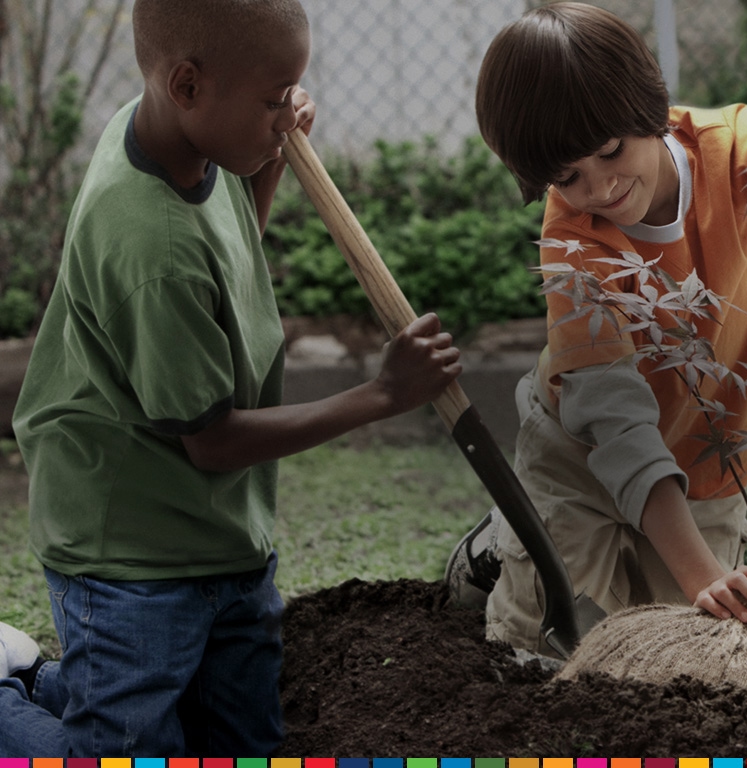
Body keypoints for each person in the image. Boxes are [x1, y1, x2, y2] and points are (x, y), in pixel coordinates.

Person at [2, 0, 462, 757]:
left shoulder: (187, 139)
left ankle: (68, 687)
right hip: (130, 554)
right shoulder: (147, 241)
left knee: (242, 743)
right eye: (274, 99)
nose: (288, 115)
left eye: (291, 94)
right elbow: (212, 442)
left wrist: (270, 154)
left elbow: (231, 232)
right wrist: (380, 396)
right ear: (187, 84)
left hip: (221, 537)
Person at [445, 2, 747, 657]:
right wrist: (702, 575)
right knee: (557, 641)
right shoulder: (573, 241)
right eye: (566, 176)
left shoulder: (731, 147)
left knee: (679, 645)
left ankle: (519, 538)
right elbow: (613, 419)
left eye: (611, 151)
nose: (600, 186)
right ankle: (502, 548)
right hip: (578, 457)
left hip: (706, 461)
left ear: (650, 110)